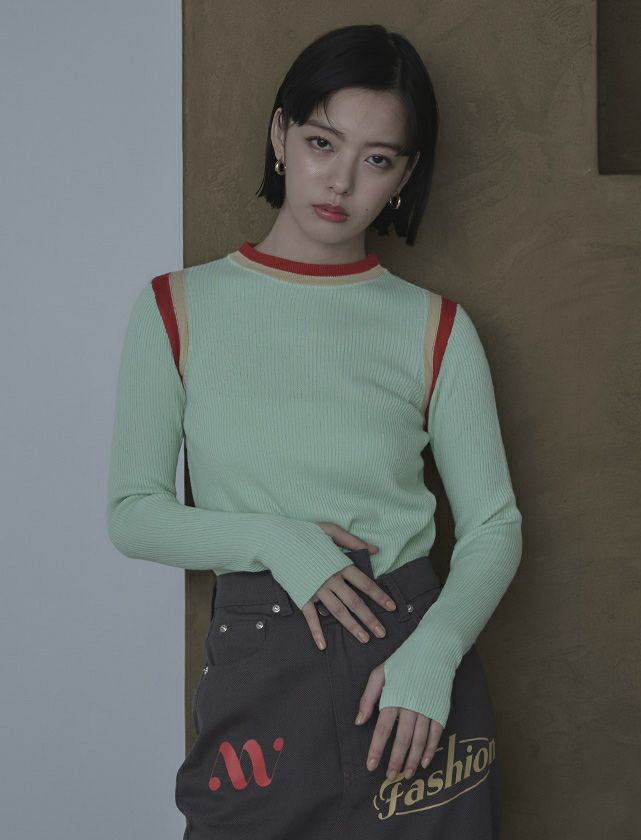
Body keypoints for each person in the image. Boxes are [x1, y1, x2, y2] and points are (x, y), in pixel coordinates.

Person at [106, 23, 523, 840]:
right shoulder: (176, 308)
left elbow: (494, 526)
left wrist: (434, 653)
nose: (340, 181)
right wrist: (278, 539)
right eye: (321, 142)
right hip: (262, 658)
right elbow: (132, 514)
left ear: (405, 175)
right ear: (280, 134)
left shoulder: (434, 326)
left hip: (409, 674)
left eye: (378, 159)